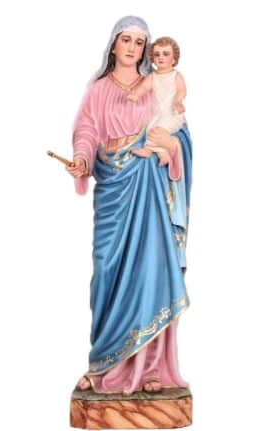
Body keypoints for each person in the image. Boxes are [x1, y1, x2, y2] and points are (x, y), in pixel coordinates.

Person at [65, 16, 192, 395]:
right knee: (106, 267)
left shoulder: (157, 84)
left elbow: (178, 130)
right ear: (114, 44)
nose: (133, 48)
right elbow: (86, 129)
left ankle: (151, 369)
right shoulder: (99, 88)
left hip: (148, 185)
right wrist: (82, 158)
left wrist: (171, 146)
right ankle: (103, 362)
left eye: (140, 42)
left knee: (151, 270)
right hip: (113, 187)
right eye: (127, 40)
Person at [127, 37, 187, 166]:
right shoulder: (152, 76)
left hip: (171, 113)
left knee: (159, 130)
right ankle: (162, 154)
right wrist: (136, 95)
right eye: (157, 54)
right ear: (152, 58)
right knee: (150, 129)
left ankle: (151, 150)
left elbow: (182, 90)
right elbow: (144, 87)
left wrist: (178, 102)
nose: (161, 57)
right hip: (158, 113)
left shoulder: (176, 76)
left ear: (174, 59)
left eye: (166, 54)